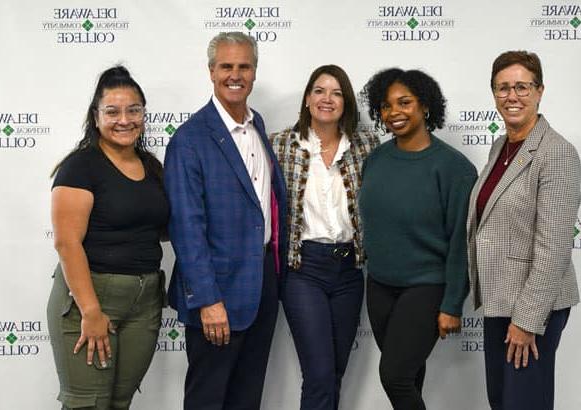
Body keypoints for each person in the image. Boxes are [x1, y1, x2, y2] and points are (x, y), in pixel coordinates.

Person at [163, 32, 287, 410]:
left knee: (247, 397)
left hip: (263, 282)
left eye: (244, 66)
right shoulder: (189, 139)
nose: (236, 74)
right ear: (211, 72)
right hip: (217, 290)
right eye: (226, 66)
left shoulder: (257, 124)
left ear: (254, 72)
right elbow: (187, 228)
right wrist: (208, 299)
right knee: (208, 397)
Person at [47, 65, 168, 409]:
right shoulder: (80, 166)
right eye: (112, 111)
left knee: (118, 403)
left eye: (134, 110)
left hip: (145, 301)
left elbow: (158, 227)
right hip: (91, 298)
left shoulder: (152, 166)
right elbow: (67, 243)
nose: (124, 120)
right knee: (88, 404)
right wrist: (91, 311)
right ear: (96, 116)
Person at [466, 50, 581, 410]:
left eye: (521, 87)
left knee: (523, 403)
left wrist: (527, 320)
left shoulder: (557, 152)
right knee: (501, 400)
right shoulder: (500, 146)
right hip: (500, 299)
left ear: (540, 91)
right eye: (502, 88)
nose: (511, 96)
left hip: (533, 307)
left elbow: (554, 247)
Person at [359, 68, 477, 410]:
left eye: (404, 102)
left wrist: (452, 303)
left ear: (425, 106)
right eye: (385, 105)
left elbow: (461, 242)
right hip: (379, 286)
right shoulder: (376, 160)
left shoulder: (454, 168)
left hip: (426, 287)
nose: (394, 112)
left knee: (394, 376)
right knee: (408, 377)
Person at [270, 64, 379, 410]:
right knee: (318, 374)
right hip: (304, 269)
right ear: (307, 98)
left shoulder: (366, 145)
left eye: (336, 93)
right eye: (319, 90)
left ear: (346, 102)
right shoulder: (281, 144)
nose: (327, 99)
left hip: (349, 271)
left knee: (335, 371)